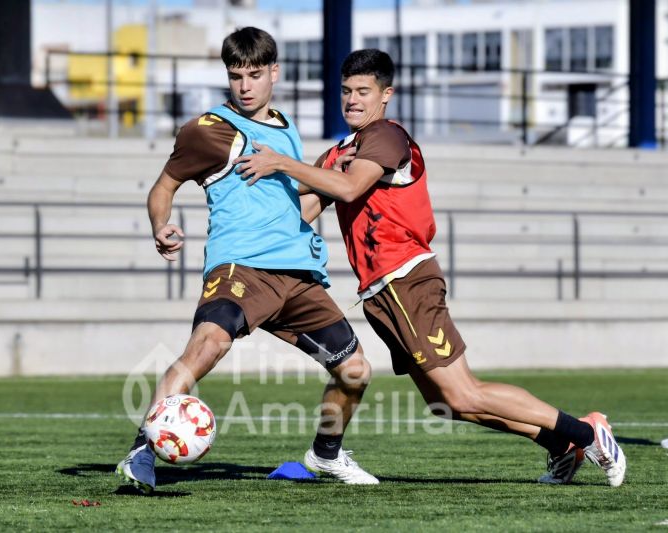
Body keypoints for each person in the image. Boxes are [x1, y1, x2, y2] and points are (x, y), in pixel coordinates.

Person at [234, 48, 627, 487]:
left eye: (363, 91)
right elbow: (305, 207)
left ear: (386, 95)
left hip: (407, 280)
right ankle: (561, 446)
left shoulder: (386, 135)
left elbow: (347, 188)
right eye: (346, 91)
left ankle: (588, 433)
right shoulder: (342, 150)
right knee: (451, 405)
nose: (353, 100)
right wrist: (243, 220)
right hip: (382, 295)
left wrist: (282, 162)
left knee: (464, 390)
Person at [116, 28, 378, 494]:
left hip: (297, 276)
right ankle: (140, 453)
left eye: (255, 74)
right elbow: (163, 186)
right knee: (207, 347)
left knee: (354, 370)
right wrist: (161, 224)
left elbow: (292, 209)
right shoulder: (208, 130)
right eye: (236, 75)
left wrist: (328, 185)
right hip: (241, 267)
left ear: (274, 73)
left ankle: (326, 456)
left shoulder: (285, 127)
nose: (244, 85)